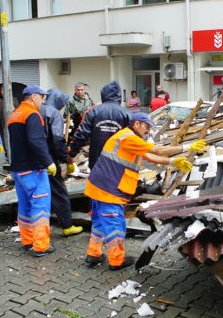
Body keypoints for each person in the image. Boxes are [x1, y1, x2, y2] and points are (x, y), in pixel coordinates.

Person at [83, 112, 206, 270]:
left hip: (98, 187)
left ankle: (93, 254)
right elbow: (157, 150)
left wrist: (173, 161)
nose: (148, 131)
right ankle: (116, 261)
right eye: (146, 127)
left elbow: (150, 157)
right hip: (109, 190)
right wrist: (189, 146)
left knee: (99, 223)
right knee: (116, 226)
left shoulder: (127, 138)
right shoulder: (128, 137)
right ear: (136, 124)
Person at [7, 85, 57, 257]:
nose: (43, 101)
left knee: (25, 206)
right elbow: (36, 141)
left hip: (18, 170)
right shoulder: (32, 115)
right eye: (42, 97)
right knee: (40, 207)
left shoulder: (14, 115)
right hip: (33, 169)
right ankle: (41, 245)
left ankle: (28, 240)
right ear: (33, 96)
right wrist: (48, 162)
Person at [39, 88, 83, 237]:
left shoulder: (36, 109)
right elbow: (57, 140)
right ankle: (67, 225)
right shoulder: (53, 113)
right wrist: (66, 158)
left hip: (36, 159)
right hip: (50, 159)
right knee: (59, 192)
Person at [68, 81, 130, 170]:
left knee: (97, 183)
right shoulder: (126, 113)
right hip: (119, 160)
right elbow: (135, 136)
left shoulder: (94, 111)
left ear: (103, 94)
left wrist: (71, 153)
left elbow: (81, 134)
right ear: (119, 96)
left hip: (97, 160)